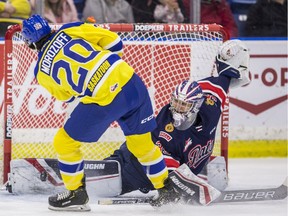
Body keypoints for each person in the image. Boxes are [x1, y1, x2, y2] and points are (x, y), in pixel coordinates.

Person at [21, 14, 177, 211]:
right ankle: (166, 188)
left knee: (64, 141)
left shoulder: (40, 72)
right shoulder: (69, 29)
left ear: (30, 43)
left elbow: (68, 97)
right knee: (142, 144)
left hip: (105, 97)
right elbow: (115, 42)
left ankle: (76, 193)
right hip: (132, 82)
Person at [105, 39, 250, 204]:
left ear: (196, 106)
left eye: (183, 105)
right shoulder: (167, 127)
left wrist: (236, 55)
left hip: (155, 167)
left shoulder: (212, 104)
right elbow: (167, 171)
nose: (177, 108)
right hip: (137, 166)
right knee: (104, 177)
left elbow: (225, 77)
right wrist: (174, 190)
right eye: (176, 102)